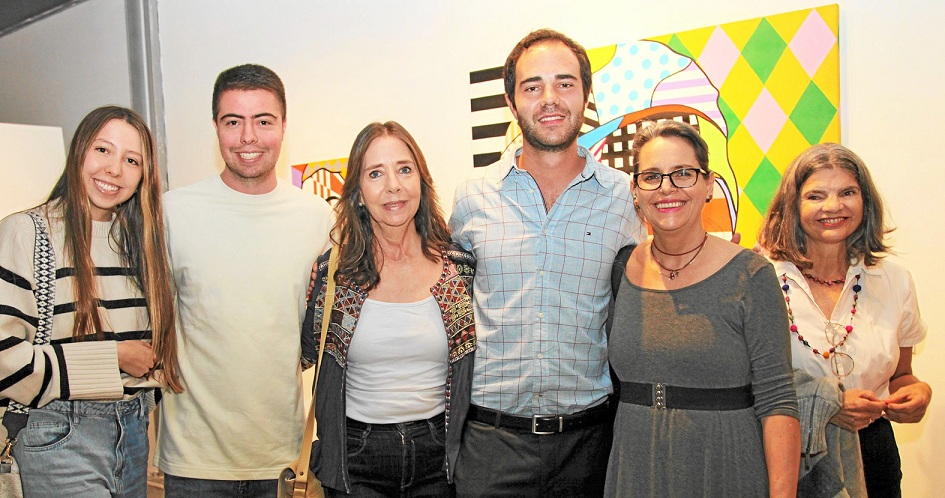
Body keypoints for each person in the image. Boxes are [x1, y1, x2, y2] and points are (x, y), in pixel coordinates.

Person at [449, 29, 645, 496]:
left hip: (589, 446)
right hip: (490, 446)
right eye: (532, 87)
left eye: (564, 83)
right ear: (511, 102)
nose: (549, 99)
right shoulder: (472, 199)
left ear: (585, 94)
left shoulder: (624, 198)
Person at [154, 64, 332, 497]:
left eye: (263, 121)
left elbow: (320, 333)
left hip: (284, 460)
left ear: (284, 127)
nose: (248, 137)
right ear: (216, 127)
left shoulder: (317, 218)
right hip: (195, 461)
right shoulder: (171, 213)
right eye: (233, 121)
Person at [605, 120, 800, 497]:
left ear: (708, 184)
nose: (667, 188)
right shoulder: (620, 269)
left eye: (683, 173)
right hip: (635, 468)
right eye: (651, 176)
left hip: (725, 466)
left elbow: (777, 400)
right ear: (634, 190)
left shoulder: (752, 275)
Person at [0, 105, 181, 496]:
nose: (114, 169)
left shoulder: (140, 244)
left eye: (131, 160)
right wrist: (112, 356)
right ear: (78, 151)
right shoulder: (27, 233)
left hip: (133, 432)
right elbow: (4, 362)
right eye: (103, 150)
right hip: (57, 435)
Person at [302, 121, 475, 496]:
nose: (393, 185)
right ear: (359, 194)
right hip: (355, 461)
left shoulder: (459, 268)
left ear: (422, 182)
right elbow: (302, 353)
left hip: (440, 458)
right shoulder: (335, 274)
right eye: (375, 173)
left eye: (404, 169)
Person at [759, 143, 931, 497]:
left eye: (847, 192)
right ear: (793, 206)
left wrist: (917, 392)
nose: (833, 206)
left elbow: (900, 374)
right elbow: (748, 384)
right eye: (816, 195)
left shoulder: (894, 281)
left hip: (874, 453)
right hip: (790, 451)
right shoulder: (761, 280)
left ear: (865, 201)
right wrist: (829, 406)